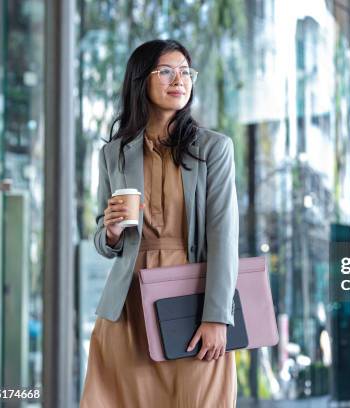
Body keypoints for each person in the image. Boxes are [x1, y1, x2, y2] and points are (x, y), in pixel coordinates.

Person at [80, 39, 239, 407]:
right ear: (141, 80)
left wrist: (217, 317)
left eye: (185, 72)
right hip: (129, 305)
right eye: (166, 71)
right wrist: (112, 231)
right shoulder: (114, 153)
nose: (178, 80)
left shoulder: (214, 148)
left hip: (194, 301)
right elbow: (104, 242)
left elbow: (223, 235)